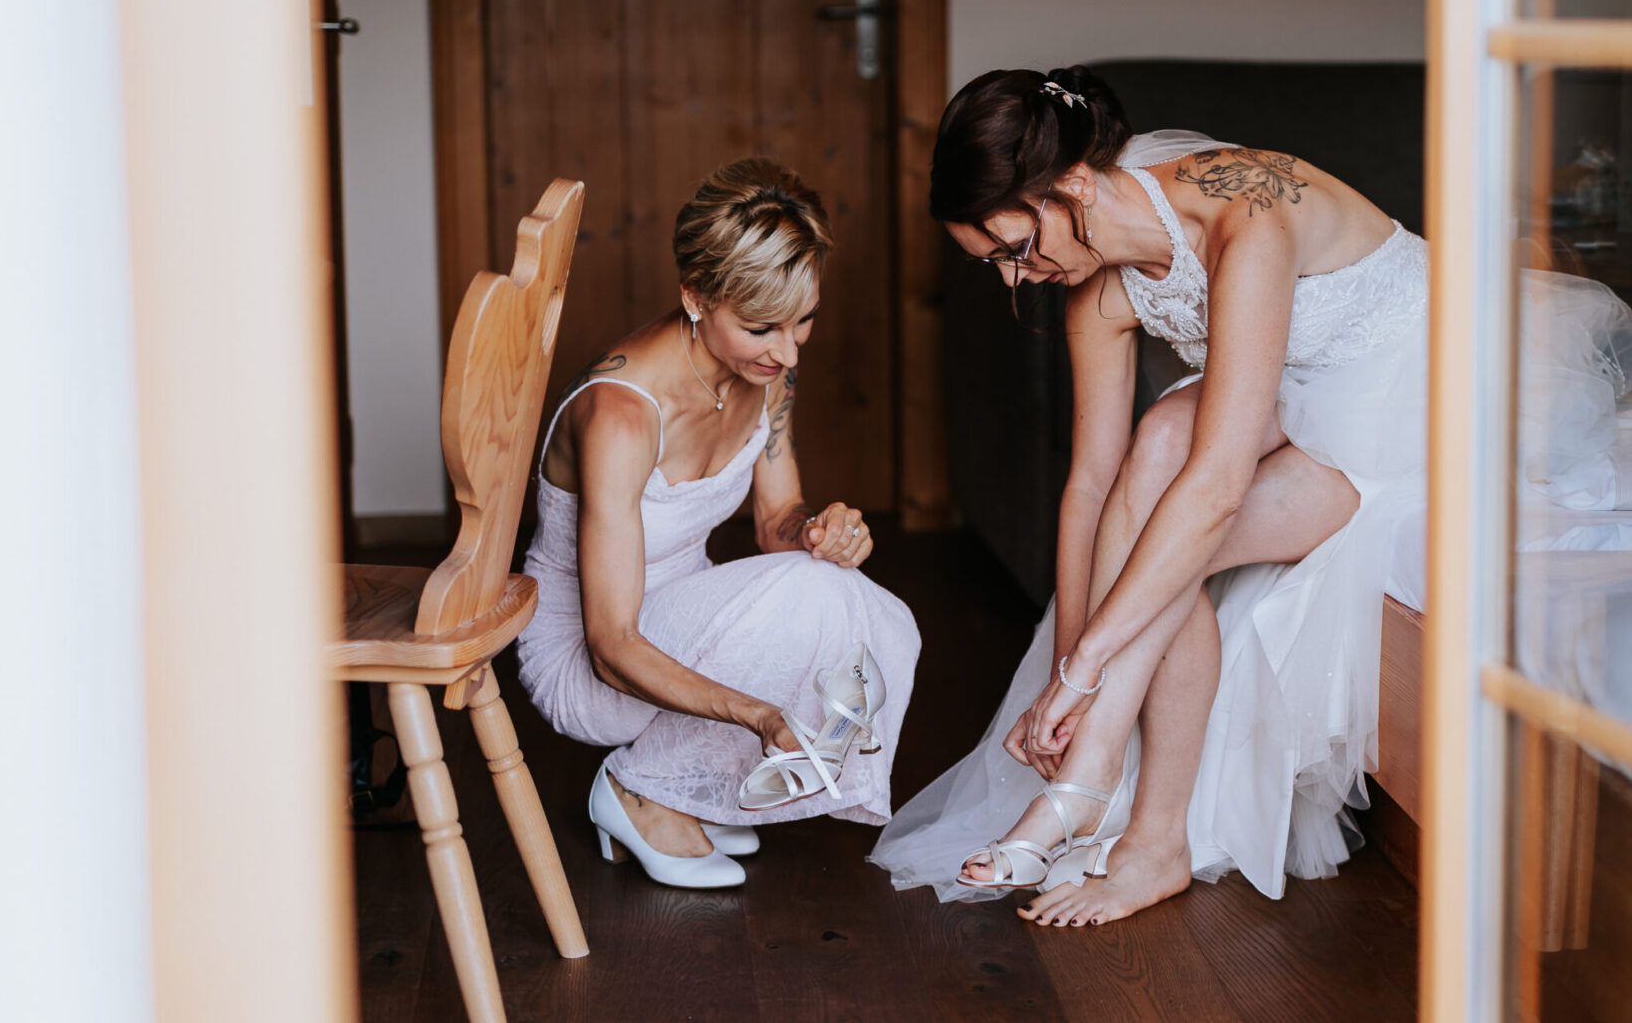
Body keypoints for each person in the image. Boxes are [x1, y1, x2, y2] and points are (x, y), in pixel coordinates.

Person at [870, 67, 1428, 926]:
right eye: (992, 266)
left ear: (1075, 185)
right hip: (1293, 395)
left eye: (1015, 250)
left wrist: (1090, 672)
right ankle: (1122, 812)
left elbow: (1217, 485)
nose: (1016, 281)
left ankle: (1120, 812)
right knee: (1159, 439)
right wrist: (1064, 667)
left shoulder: (1248, 218)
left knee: (1186, 510)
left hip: (1407, 395)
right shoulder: (1094, 284)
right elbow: (1091, 484)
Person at [518, 159, 921, 888]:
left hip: (682, 614)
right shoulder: (621, 415)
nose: (790, 350)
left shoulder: (769, 373)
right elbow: (611, 646)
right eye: (762, 326)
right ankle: (638, 785)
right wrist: (757, 714)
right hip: (587, 650)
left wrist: (820, 531)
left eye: (804, 319)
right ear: (696, 296)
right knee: (812, 600)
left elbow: (776, 521)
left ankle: (671, 785)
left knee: (868, 607)